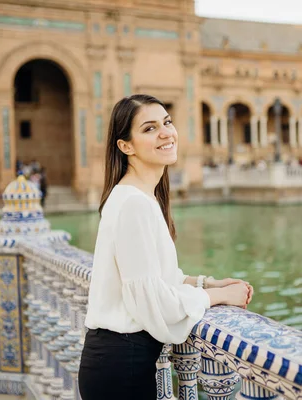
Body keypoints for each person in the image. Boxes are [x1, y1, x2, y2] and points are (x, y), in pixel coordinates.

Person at [79, 94, 253, 400]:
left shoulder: (139, 197)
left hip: (118, 363)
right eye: (149, 128)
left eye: (167, 122)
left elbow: (158, 277)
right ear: (126, 146)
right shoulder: (133, 202)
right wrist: (218, 296)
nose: (165, 133)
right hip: (121, 369)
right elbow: (150, 299)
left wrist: (207, 282)